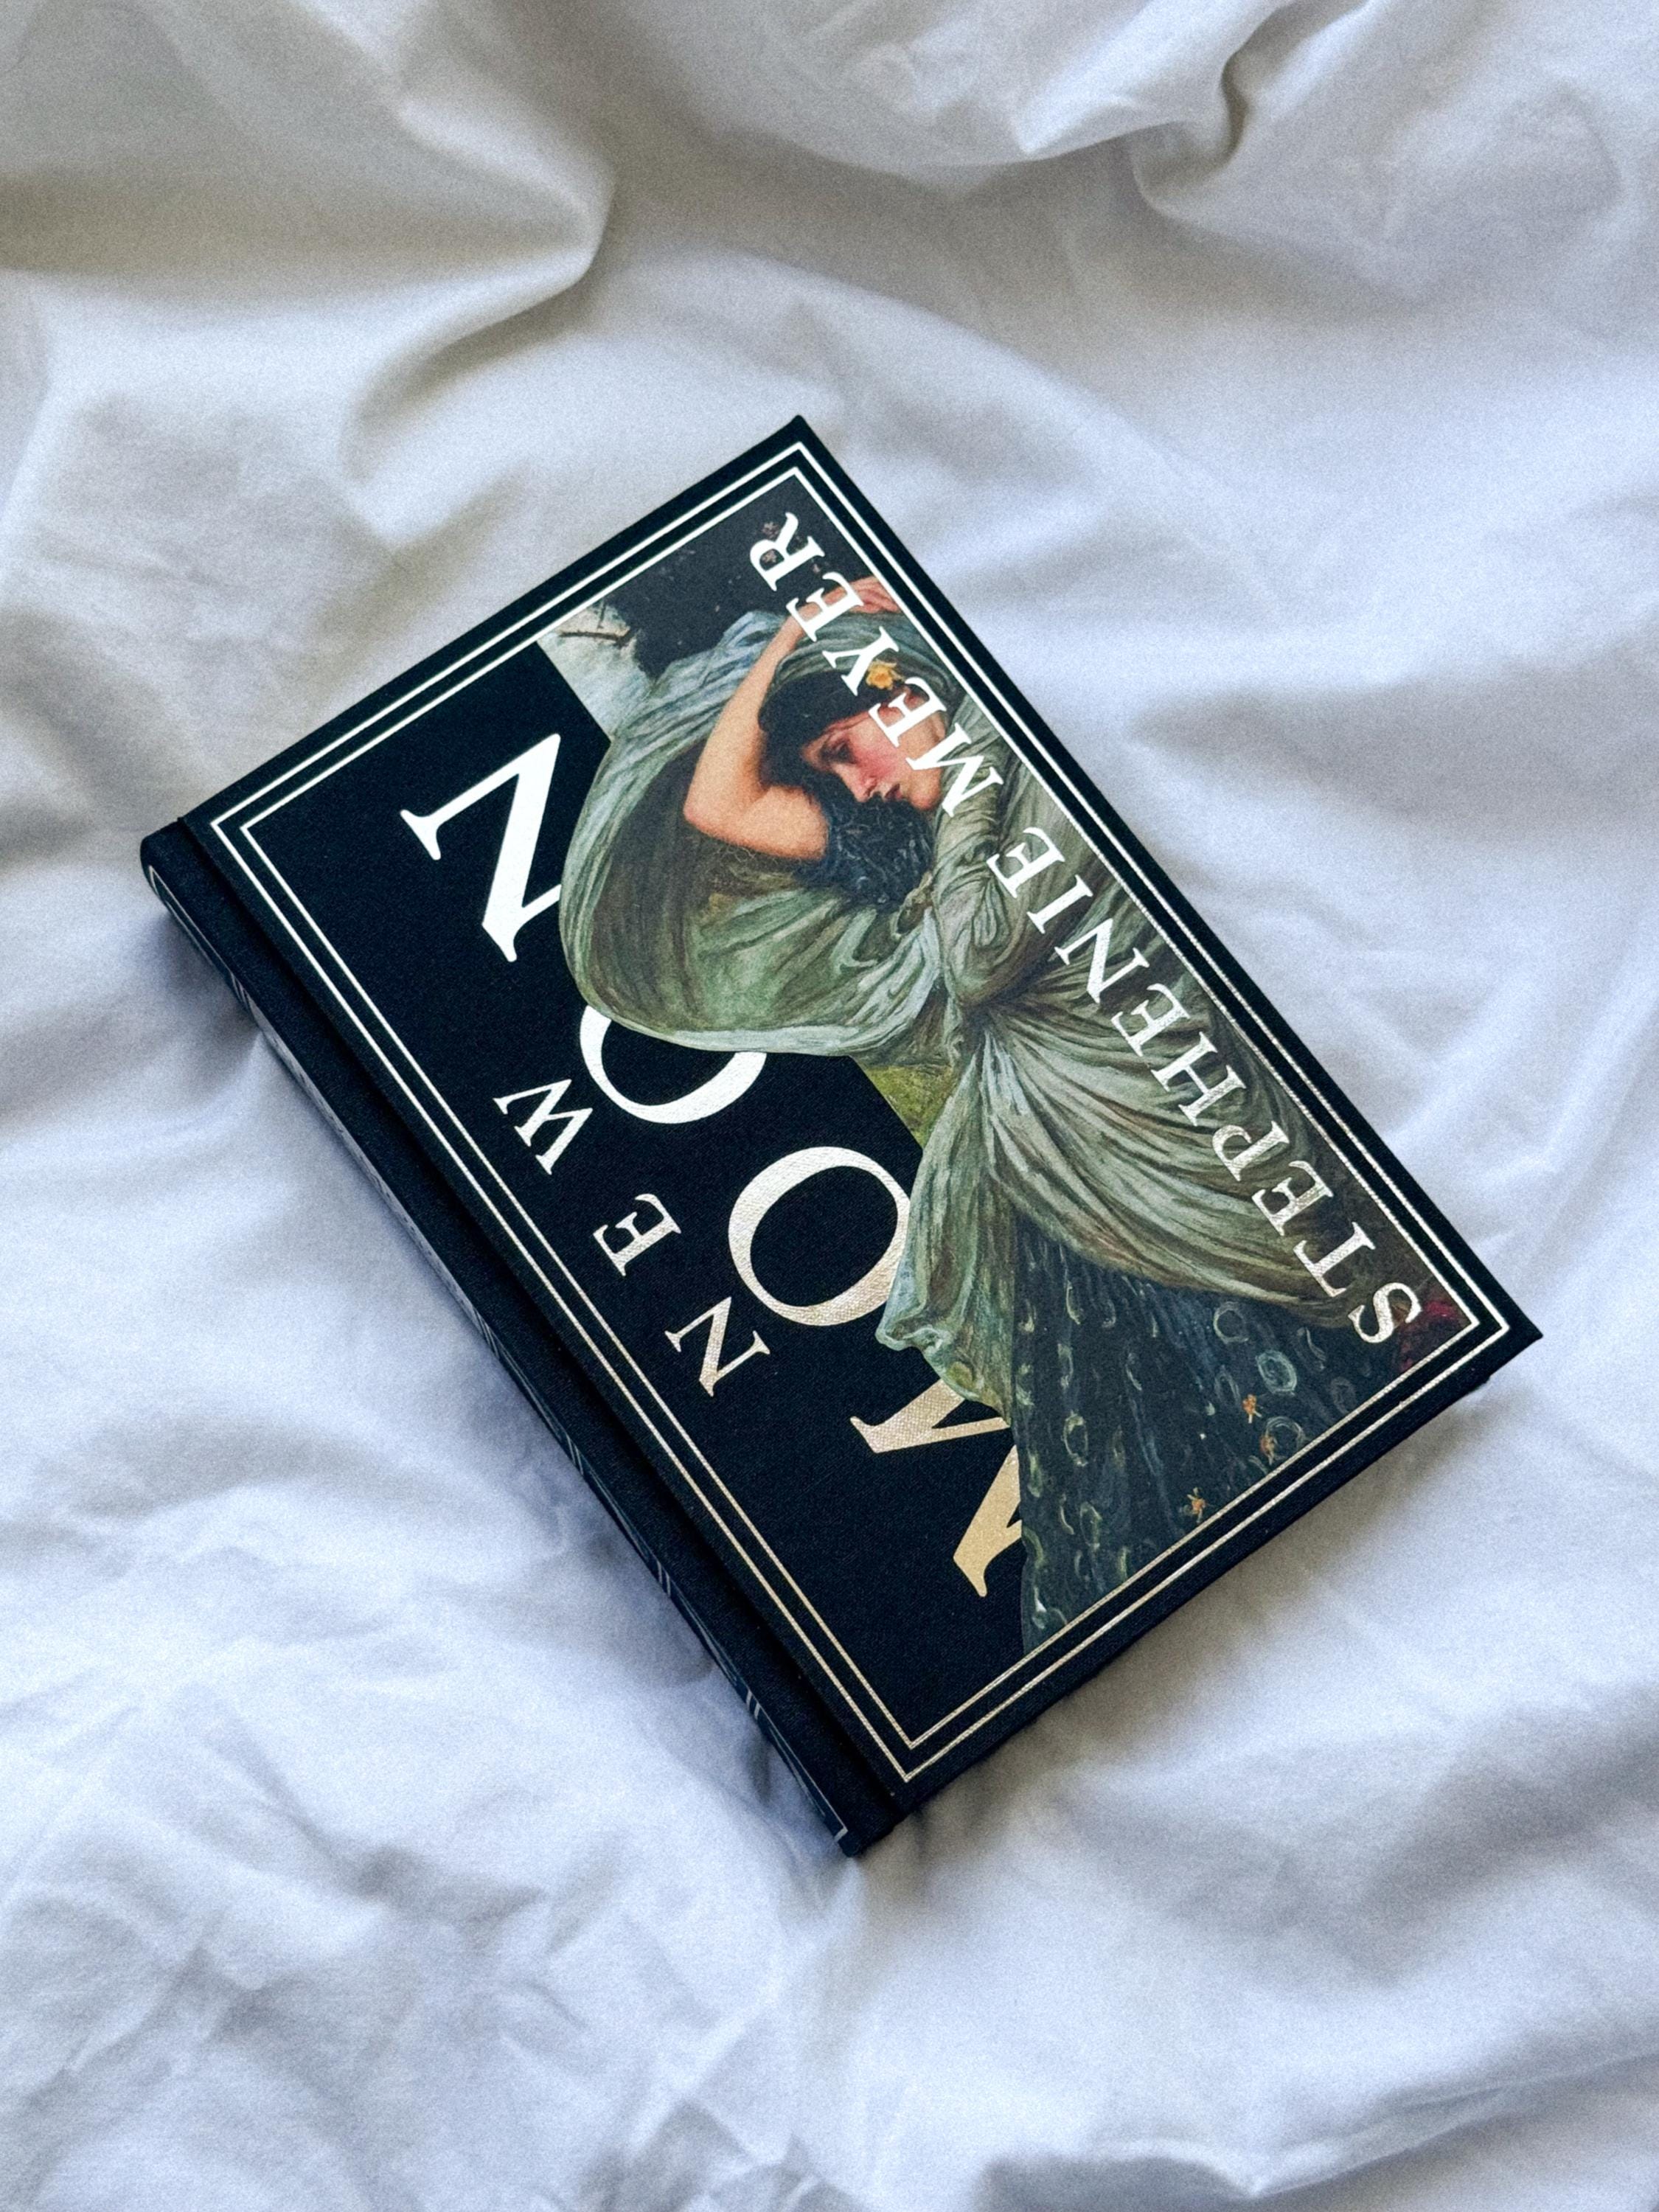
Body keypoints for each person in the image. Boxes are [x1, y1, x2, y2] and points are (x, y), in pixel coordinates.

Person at [555, 582, 1453, 1651]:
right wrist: (794, 633)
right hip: (1039, 1121)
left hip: (1116, 1074)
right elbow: (720, 810)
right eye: (834, 769)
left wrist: (964, 777)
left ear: (903, 696)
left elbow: (981, 952)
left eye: (847, 748)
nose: (858, 782)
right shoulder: (892, 823)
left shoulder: (1020, 767)